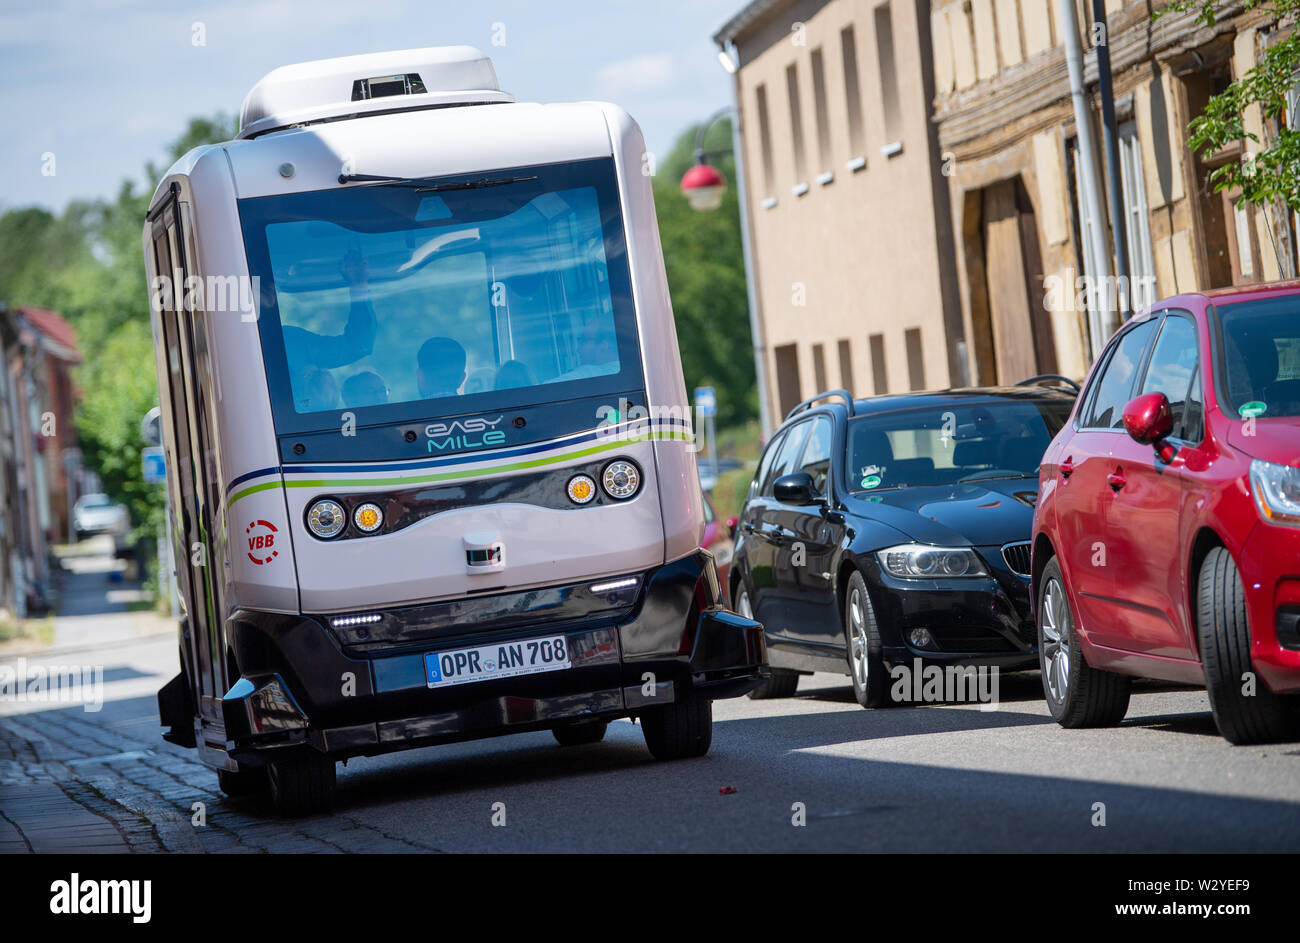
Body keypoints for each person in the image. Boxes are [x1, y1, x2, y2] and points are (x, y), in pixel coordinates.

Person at [283, 250, 377, 404]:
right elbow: (359, 345)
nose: (321, 370)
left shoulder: (287, 350)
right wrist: (358, 284)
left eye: (313, 381)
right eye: (320, 372)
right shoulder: (306, 354)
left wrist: (358, 284)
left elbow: (359, 345)